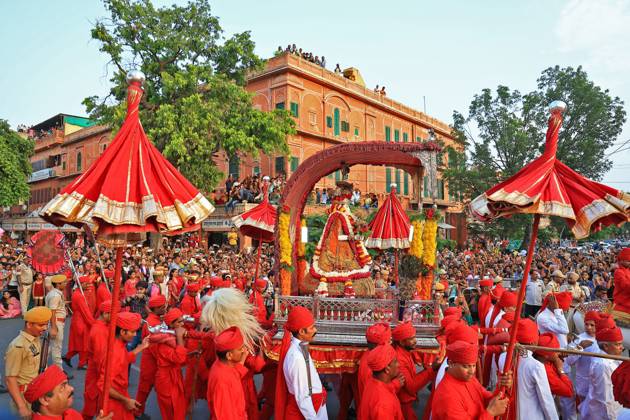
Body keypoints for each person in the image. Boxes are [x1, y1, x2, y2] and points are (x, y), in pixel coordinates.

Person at [431, 340, 510, 420]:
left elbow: (486, 398)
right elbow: (490, 409)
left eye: (473, 365)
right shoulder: (447, 396)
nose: (472, 371)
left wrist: (500, 387)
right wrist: (490, 413)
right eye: (466, 366)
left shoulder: (469, 379)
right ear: (451, 363)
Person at [498, 319, 558, 420]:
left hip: (508, 414)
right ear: (533, 342)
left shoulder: (503, 357)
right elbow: (546, 401)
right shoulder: (536, 366)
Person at [275, 306, 328, 419]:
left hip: (313, 405)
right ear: (301, 331)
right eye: (312, 328)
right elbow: (303, 396)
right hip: (304, 411)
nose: (315, 331)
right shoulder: (297, 358)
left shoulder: (300, 348)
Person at [97, 312, 149, 420]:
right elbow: (103, 385)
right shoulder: (115, 352)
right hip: (114, 402)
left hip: (119, 396)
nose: (135, 335)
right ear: (122, 332)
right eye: (133, 331)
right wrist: (125, 400)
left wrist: (141, 347)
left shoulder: (117, 344)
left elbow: (124, 359)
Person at [5, 306, 53, 417]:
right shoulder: (18, 346)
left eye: (46, 324)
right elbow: (10, 379)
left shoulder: (35, 338)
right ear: (29, 324)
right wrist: (21, 406)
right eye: (41, 325)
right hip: (26, 396)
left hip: (38, 391)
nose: (45, 328)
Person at [24, 365, 112, 420]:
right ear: (45, 400)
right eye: (63, 386)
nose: (71, 388)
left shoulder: (71, 413)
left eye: (67, 384)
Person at [392, 322, 436, 420]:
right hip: (402, 404)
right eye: (411, 338)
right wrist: (431, 369)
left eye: (414, 337)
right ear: (402, 342)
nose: (415, 341)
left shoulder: (405, 352)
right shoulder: (399, 359)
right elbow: (411, 386)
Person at [580, 323, 625, 419]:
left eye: (621, 344)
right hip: (605, 414)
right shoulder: (602, 366)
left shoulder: (612, 357)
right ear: (606, 346)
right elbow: (605, 399)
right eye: (618, 344)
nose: (622, 348)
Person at [152, 308, 188, 420]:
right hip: (166, 380)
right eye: (179, 322)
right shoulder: (164, 340)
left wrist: (191, 353)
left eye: (183, 321)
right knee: (170, 412)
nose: (182, 324)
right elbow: (179, 358)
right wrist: (180, 337)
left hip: (175, 377)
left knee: (179, 408)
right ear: (171, 325)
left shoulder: (172, 337)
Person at [135, 294, 167, 418]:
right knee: (144, 390)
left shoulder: (157, 319)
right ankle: (137, 412)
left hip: (155, 361)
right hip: (151, 362)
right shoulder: (152, 323)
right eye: (162, 307)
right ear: (155, 309)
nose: (165, 308)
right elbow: (154, 348)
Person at [206, 326, 249, 419]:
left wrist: (243, 358)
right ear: (229, 355)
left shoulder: (222, 364)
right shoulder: (222, 381)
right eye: (240, 348)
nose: (244, 350)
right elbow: (225, 416)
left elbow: (234, 373)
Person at [83, 300, 111, 420]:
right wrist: (104, 377)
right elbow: (100, 358)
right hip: (97, 373)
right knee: (91, 405)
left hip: (97, 371)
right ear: (105, 313)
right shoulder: (99, 330)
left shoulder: (102, 326)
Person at [358, 344, 404, 419]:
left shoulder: (371, 381)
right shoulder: (383, 405)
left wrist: (394, 385)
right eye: (395, 362)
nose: (398, 365)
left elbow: (381, 390)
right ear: (387, 369)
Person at [63, 283, 95, 370]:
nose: (88, 286)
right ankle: (82, 363)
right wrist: (94, 323)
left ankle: (68, 356)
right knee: (84, 343)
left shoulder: (77, 293)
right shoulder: (79, 296)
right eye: (87, 284)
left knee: (78, 343)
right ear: (82, 284)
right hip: (81, 321)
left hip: (77, 320)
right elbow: (85, 312)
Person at [44, 275, 67, 371]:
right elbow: (52, 311)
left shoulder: (53, 293)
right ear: (58, 284)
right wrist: (53, 327)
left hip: (55, 322)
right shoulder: (55, 295)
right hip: (56, 322)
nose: (65, 284)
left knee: (49, 347)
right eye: (64, 282)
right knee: (57, 347)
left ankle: (42, 367)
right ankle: (59, 372)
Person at [613, 247, 630, 314]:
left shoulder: (628, 270)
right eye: (628, 261)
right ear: (621, 261)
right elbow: (626, 286)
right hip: (623, 304)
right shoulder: (618, 272)